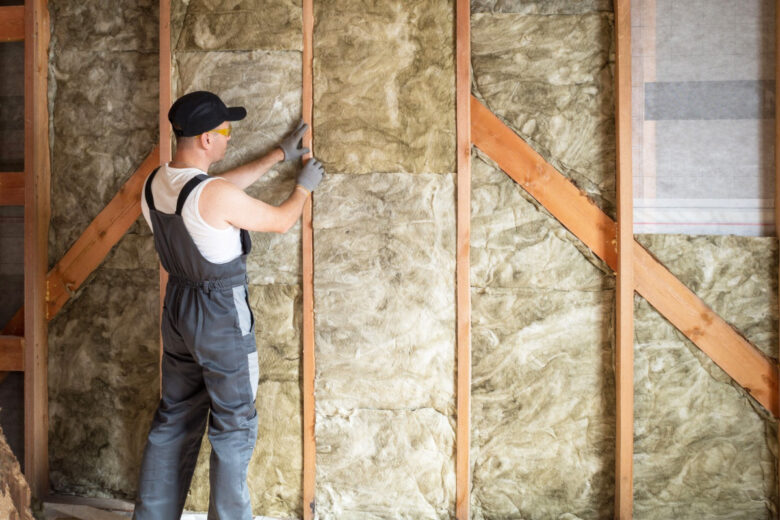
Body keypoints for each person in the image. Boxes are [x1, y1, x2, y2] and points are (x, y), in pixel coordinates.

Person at [133, 90, 324, 520]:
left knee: (175, 416)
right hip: (219, 314)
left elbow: (215, 192)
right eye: (224, 132)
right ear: (205, 139)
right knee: (234, 424)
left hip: (178, 309)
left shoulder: (157, 182)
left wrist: (277, 154)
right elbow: (279, 220)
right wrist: (303, 187)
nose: (228, 139)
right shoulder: (211, 195)